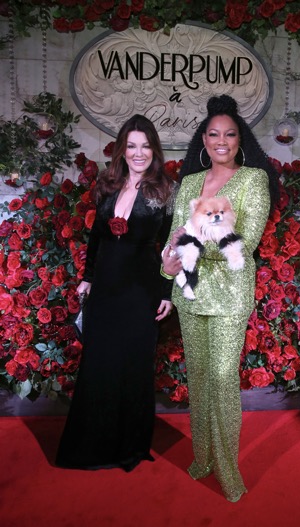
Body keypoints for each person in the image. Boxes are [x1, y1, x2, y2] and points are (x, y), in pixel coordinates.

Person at [161, 94, 280, 502]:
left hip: (230, 297)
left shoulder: (252, 180)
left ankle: (229, 472)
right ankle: (202, 458)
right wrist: (169, 266)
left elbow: (244, 244)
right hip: (191, 297)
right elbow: (173, 237)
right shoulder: (191, 183)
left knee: (224, 380)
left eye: (230, 134)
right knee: (199, 380)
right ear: (204, 140)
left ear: (240, 138)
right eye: (214, 134)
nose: (222, 141)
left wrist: (193, 245)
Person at [56, 114, 178, 471]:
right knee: (100, 365)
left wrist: (167, 291)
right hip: (106, 289)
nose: (138, 153)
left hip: (142, 290)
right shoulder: (107, 184)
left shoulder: (165, 191)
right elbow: (97, 236)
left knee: (133, 369)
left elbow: (173, 246)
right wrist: (88, 276)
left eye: (145, 146)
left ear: (153, 150)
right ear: (122, 149)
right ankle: (92, 444)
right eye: (132, 146)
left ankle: (129, 446)